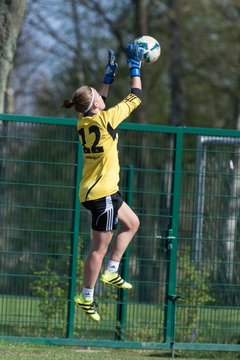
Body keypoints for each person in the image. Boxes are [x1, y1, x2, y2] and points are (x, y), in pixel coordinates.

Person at [62, 43, 144, 322]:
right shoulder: (108, 119)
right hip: (102, 194)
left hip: (99, 190)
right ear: (97, 104)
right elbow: (136, 96)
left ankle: (111, 270)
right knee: (98, 248)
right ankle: (86, 296)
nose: (101, 94)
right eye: (99, 94)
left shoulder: (83, 122)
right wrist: (136, 66)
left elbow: (95, 101)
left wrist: (107, 78)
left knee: (132, 223)